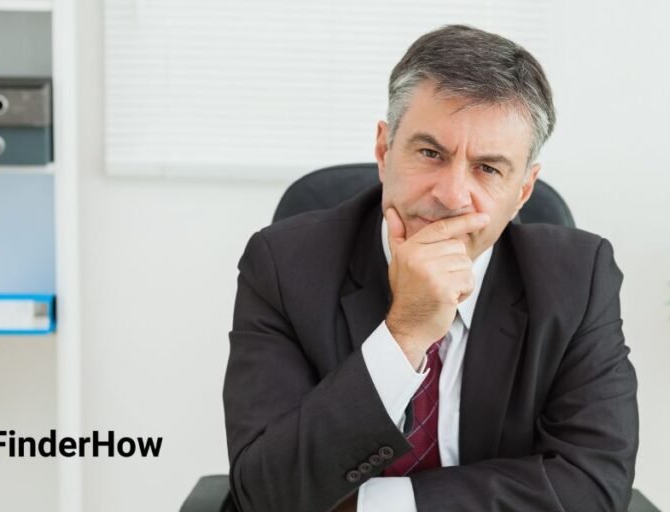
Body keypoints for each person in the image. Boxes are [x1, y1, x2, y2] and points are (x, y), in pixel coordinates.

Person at [223, 24, 638, 512]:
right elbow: (266, 493)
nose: (451, 196)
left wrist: (378, 506)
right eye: (430, 153)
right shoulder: (283, 266)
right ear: (384, 150)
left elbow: (593, 486)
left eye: (488, 168)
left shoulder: (578, 278)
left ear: (523, 190)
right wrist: (405, 334)